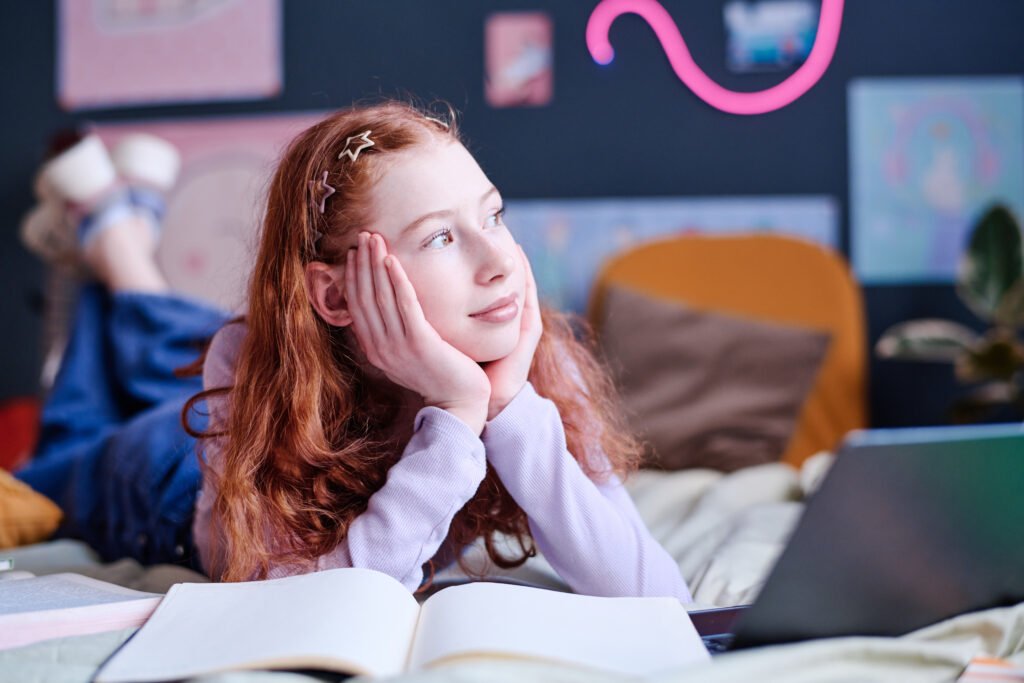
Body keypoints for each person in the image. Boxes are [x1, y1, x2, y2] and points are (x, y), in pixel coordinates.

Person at [19, 100, 693, 602]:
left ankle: (119, 232)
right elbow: (296, 597)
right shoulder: (256, 359)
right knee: (54, 462)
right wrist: (457, 415)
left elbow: (659, 598)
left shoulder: (529, 350)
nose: (500, 263)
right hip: (168, 481)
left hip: (220, 410)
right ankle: (118, 241)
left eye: (492, 215)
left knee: (175, 350)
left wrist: (507, 403)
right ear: (337, 297)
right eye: (440, 238)